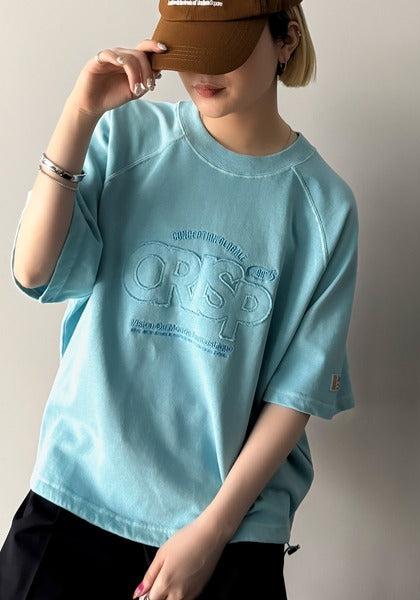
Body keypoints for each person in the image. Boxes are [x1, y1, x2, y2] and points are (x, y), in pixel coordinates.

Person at [0, 0, 359, 598]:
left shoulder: (323, 206)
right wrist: (79, 113)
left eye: (223, 51)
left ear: (287, 39)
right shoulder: (127, 136)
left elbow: (294, 394)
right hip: (80, 495)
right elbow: (34, 271)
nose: (201, 72)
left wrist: (212, 532)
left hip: (228, 532)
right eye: (189, 50)